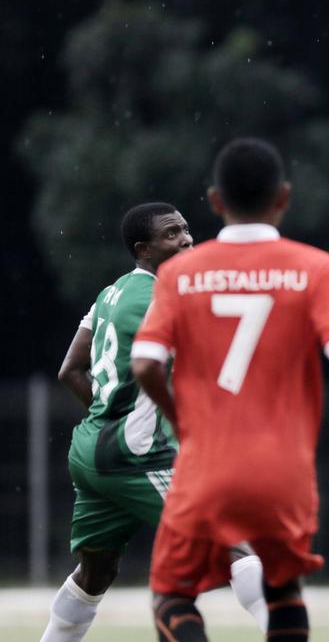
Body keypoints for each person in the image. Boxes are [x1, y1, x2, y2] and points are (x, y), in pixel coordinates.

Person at [130, 138, 329, 642]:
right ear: (284, 198)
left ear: (215, 201)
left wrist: (184, 419)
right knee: (283, 589)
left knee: (173, 594)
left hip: (206, 466)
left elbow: (144, 365)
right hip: (282, 471)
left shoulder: (180, 273)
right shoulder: (313, 267)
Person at [41, 203, 268, 641]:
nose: (185, 239)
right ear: (144, 249)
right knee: (235, 543)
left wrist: (109, 416)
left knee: (96, 571)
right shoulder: (165, 299)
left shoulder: (111, 293)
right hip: (135, 455)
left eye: (185, 230)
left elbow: (69, 370)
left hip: (90, 454)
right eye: (171, 235)